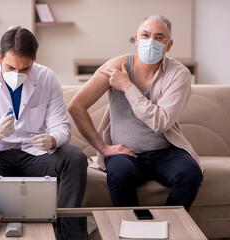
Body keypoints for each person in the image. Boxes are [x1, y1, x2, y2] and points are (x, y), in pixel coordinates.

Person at [68, 15, 203, 211]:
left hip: (165, 151)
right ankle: (133, 230)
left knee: (191, 173)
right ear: (137, 38)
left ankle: (171, 227)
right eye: (146, 35)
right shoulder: (115, 67)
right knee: (120, 174)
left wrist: (127, 87)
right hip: (125, 153)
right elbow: (76, 106)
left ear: (169, 45)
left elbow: (160, 122)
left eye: (159, 37)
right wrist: (104, 148)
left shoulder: (179, 74)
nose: (151, 42)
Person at [0, 26, 87, 211]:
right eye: (10, 67)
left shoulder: (47, 79)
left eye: (25, 69)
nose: (16, 74)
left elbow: (62, 129)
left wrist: (51, 140)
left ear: (33, 63)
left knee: (75, 158)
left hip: (36, 157)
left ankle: (67, 232)